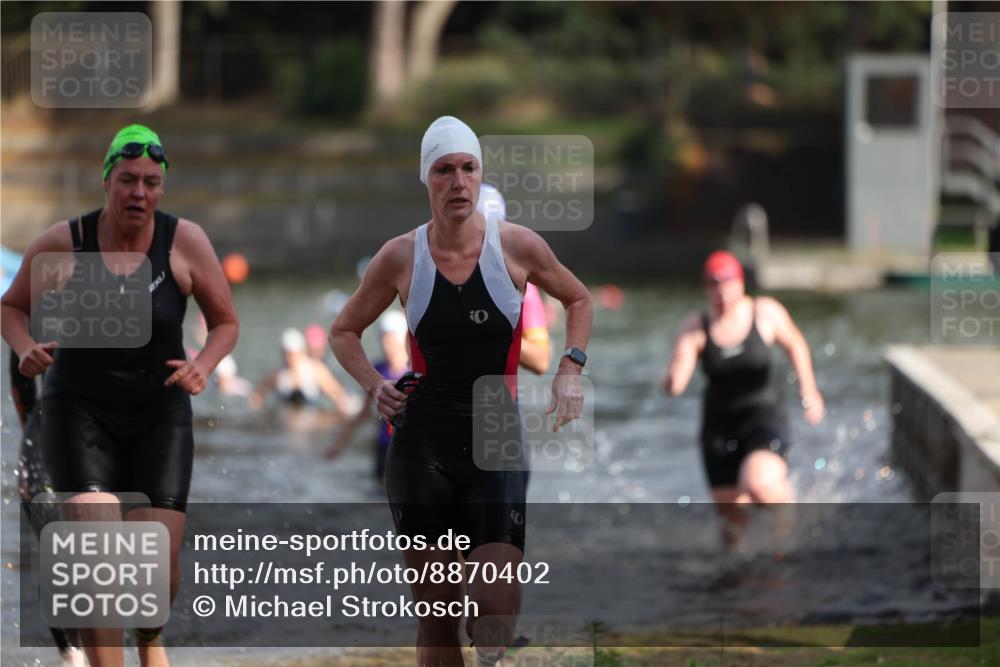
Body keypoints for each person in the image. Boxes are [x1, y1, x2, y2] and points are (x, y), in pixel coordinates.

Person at [330, 115, 592, 667]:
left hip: (495, 426)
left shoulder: (517, 247)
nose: (458, 182)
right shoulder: (401, 256)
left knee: (493, 613)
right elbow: (343, 330)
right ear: (426, 179)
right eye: (444, 170)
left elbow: (580, 299)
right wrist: (375, 385)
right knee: (437, 618)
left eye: (468, 169)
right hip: (421, 438)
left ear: (480, 176)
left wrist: (571, 367)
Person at [1, 124, 239, 667]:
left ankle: (150, 638)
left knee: (153, 581)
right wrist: (23, 348)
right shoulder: (67, 243)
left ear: (162, 187)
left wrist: (204, 365)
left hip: (160, 415)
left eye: (152, 182)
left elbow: (226, 322)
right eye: (128, 179)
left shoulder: (185, 242)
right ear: (106, 180)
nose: (140, 193)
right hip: (78, 414)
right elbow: (10, 307)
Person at [662, 250, 824, 534]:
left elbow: (796, 346)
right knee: (732, 520)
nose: (721, 290)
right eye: (713, 284)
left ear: (740, 283)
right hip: (719, 428)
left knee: (760, 487)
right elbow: (680, 371)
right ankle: (740, 571)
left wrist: (809, 392)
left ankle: (788, 545)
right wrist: (672, 381)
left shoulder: (764, 312)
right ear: (706, 288)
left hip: (763, 418)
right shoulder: (696, 325)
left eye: (726, 282)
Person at [325, 310, 410, 486]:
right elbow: (363, 413)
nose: (388, 345)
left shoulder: (413, 372)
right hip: (383, 446)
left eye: (392, 339)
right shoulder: (375, 371)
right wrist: (339, 444)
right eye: (384, 338)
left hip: (409, 448)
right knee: (378, 494)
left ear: (403, 339)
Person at [478, 183, 551, 374]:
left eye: (495, 232)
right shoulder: (429, 266)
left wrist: (491, 333)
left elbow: (541, 360)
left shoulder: (521, 286)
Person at [250, 328, 357, 416]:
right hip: (286, 420)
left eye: (293, 354)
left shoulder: (316, 370)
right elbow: (258, 396)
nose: (290, 358)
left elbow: (338, 396)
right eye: (287, 354)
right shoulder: (276, 376)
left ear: (302, 351)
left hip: (313, 421)